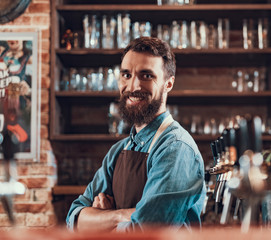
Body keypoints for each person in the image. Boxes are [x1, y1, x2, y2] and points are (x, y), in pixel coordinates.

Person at [66, 37, 206, 232]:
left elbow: (145, 232)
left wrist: (101, 222)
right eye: (126, 74)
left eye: (146, 76)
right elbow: (74, 219)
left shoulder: (176, 147)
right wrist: (121, 215)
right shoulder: (118, 151)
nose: (133, 86)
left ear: (168, 84)